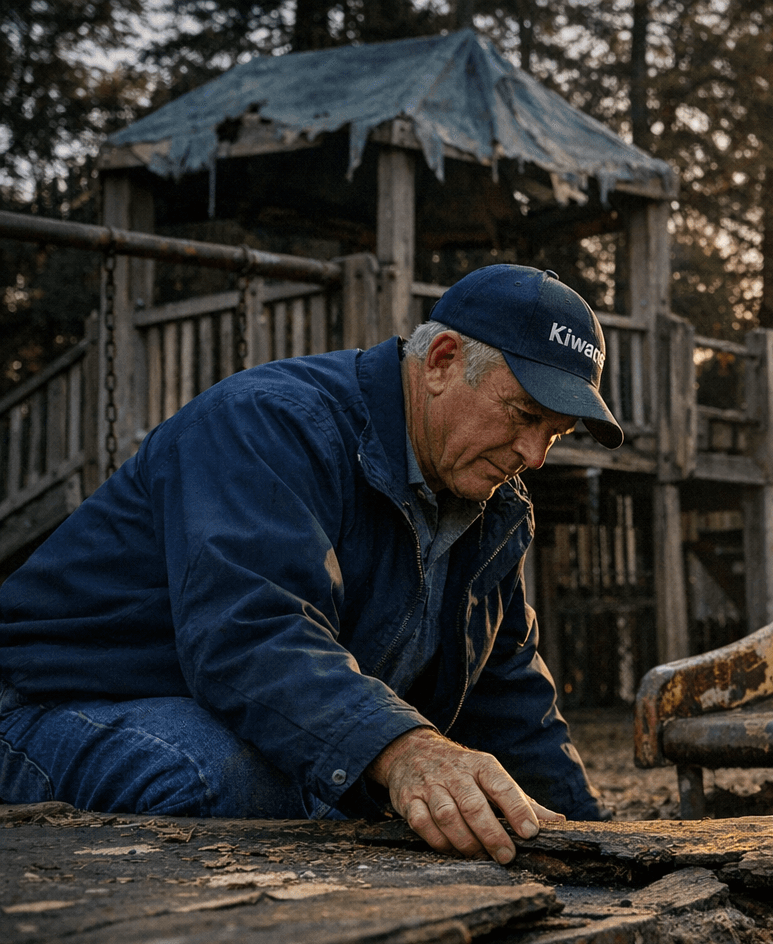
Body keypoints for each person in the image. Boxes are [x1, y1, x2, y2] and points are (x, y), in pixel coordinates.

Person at [0, 264, 619, 864]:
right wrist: (406, 750)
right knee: (230, 777)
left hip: (216, 719)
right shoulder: (268, 423)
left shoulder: (493, 507)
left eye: (555, 433)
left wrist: (600, 846)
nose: (535, 456)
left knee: (323, 782)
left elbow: (508, 691)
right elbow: (252, 635)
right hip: (44, 707)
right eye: (525, 415)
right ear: (441, 362)